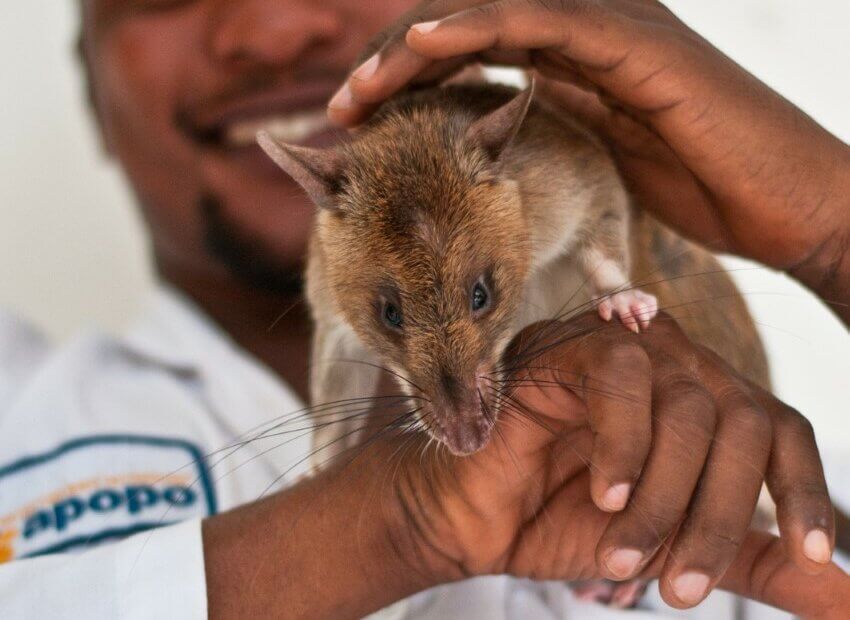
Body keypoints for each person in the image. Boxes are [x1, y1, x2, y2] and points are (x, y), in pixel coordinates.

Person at [0, 1, 847, 619]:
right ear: (88, 97)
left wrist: (835, 239)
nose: (275, 28)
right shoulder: (22, 399)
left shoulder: (716, 405)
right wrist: (393, 525)